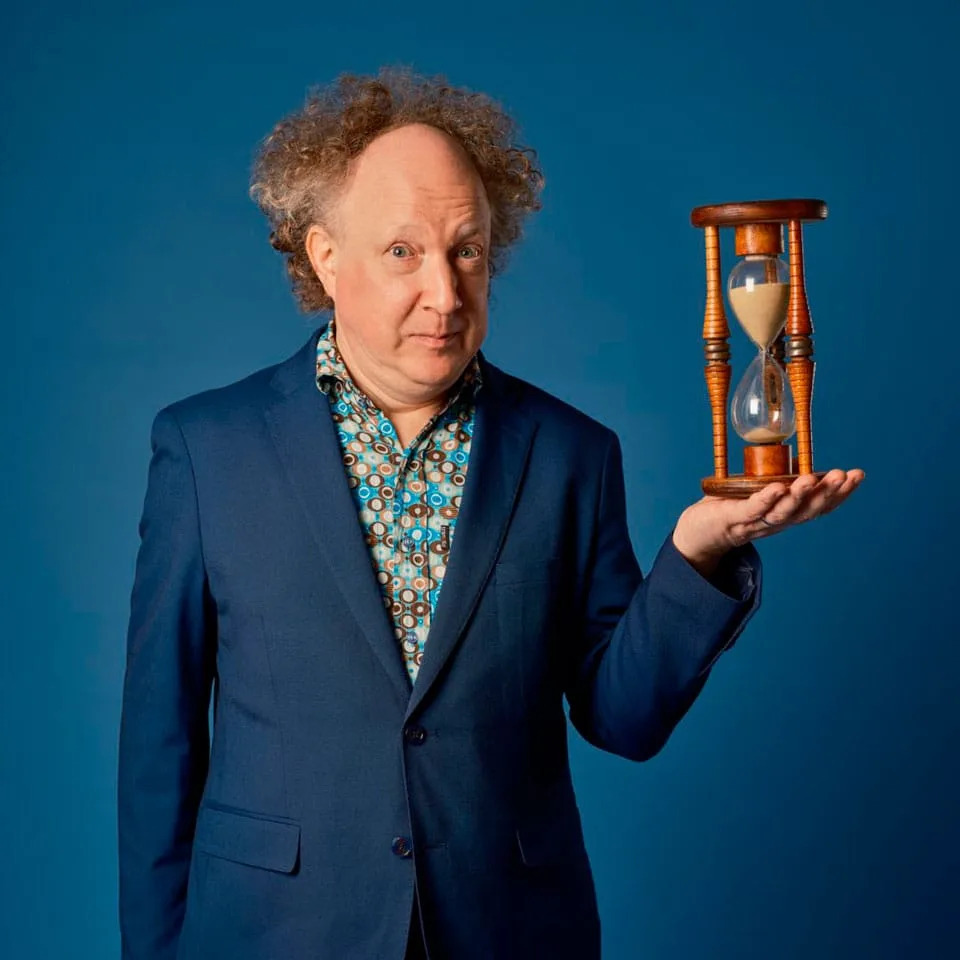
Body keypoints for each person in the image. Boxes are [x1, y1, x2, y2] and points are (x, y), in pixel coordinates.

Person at [117, 68, 864, 960]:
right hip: (274, 933)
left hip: (509, 931)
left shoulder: (571, 453)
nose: (444, 292)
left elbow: (621, 719)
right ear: (324, 256)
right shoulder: (206, 450)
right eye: (403, 252)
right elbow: (158, 750)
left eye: (466, 251)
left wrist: (697, 555)